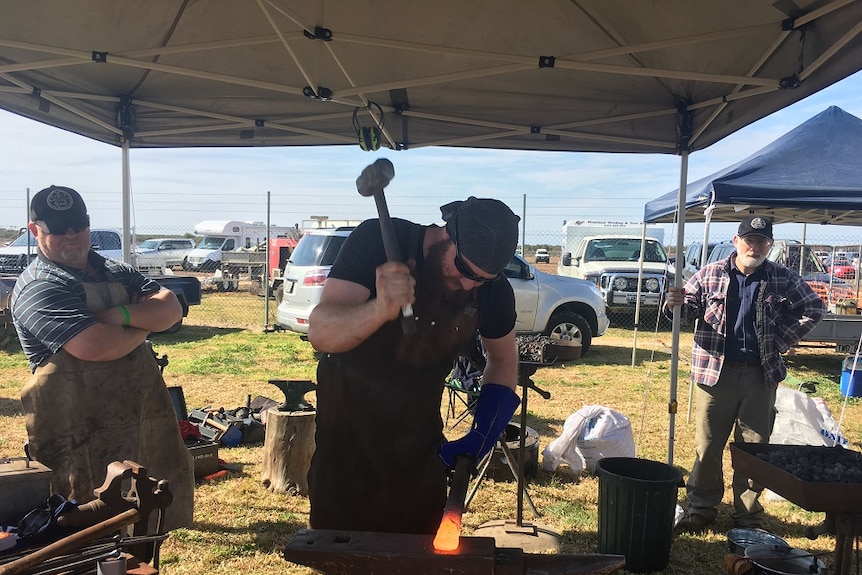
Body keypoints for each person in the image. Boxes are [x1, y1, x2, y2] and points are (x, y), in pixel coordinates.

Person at [306, 196, 521, 534]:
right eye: (464, 269)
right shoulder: (377, 241)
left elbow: (504, 360)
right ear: (445, 235)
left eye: (483, 279)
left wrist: (482, 433)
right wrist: (379, 309)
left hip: (420, 460)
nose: (469, 285)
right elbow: (321, 333)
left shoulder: (493, 293)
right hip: (345, 456)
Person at [11, 185, 194, 531]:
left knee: (151, 502)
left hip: (139, 412)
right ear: (35, 230)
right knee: (85, 520)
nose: (71, 235)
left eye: (78, 226)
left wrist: (119, 317)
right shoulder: (39, 285)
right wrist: (143, 322)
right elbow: (94, 346)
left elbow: (170, 309)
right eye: (58, 228)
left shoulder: (115, 270)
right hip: (75, 427)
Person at [665, 215, 825, 533]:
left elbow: (813, 307)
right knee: (708, 444)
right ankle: (701, 509)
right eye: (749, 240)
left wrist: (780, 340)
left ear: (770, 245)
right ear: (736, 241)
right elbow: (687, 309)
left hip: (760, 375)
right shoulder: (709, 274)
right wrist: (674, 304)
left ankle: (747, 515)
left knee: (754, 448)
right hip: (715, 374)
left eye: (762, 241)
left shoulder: (781, 277)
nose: (755, 246)